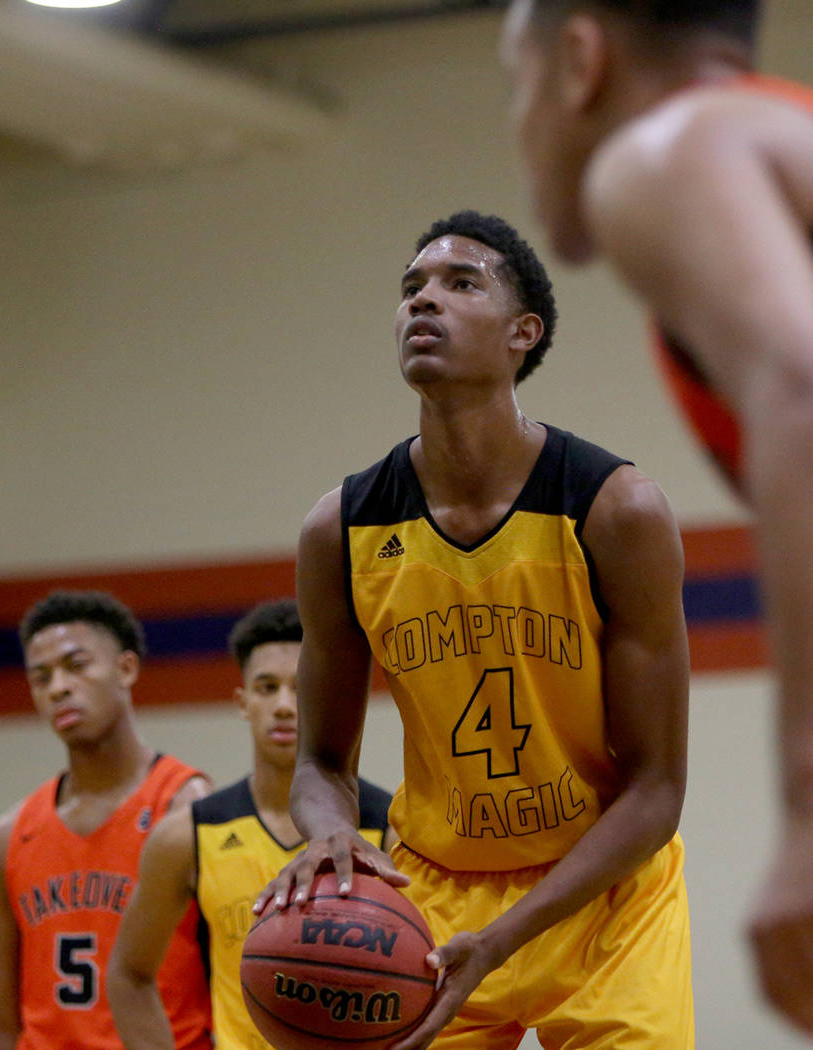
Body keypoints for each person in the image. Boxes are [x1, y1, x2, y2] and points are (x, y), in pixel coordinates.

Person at [256, 211, 693, 1049]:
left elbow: (655, 792)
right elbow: (318, 763)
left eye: (461, 284)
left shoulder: (614, 508)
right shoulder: (339, 528)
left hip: (603, 896)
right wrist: (332, 836)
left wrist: (502, 942)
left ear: (521, 333)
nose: (424, 301)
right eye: (411, 288)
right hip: (430, 899)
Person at [500, 0, 813, 1035]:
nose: (519, 127)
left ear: (581, 58)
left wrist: (811, 812)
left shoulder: (666, 150)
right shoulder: (776, 134)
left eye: (518, 86)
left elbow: (802, 382)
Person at [107, 598, 395, 1050]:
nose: (283, 705)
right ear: (242, 702)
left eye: (300, 687)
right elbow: (128, 973)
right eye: (266, 687)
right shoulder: (188, 834)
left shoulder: (387, 827)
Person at [0, 589, 212, 1050]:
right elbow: (2, 1023)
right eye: (40, 677)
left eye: (76, 666)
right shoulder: (6, 839)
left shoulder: (185, 806)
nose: (58, 687)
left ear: (126, 668)